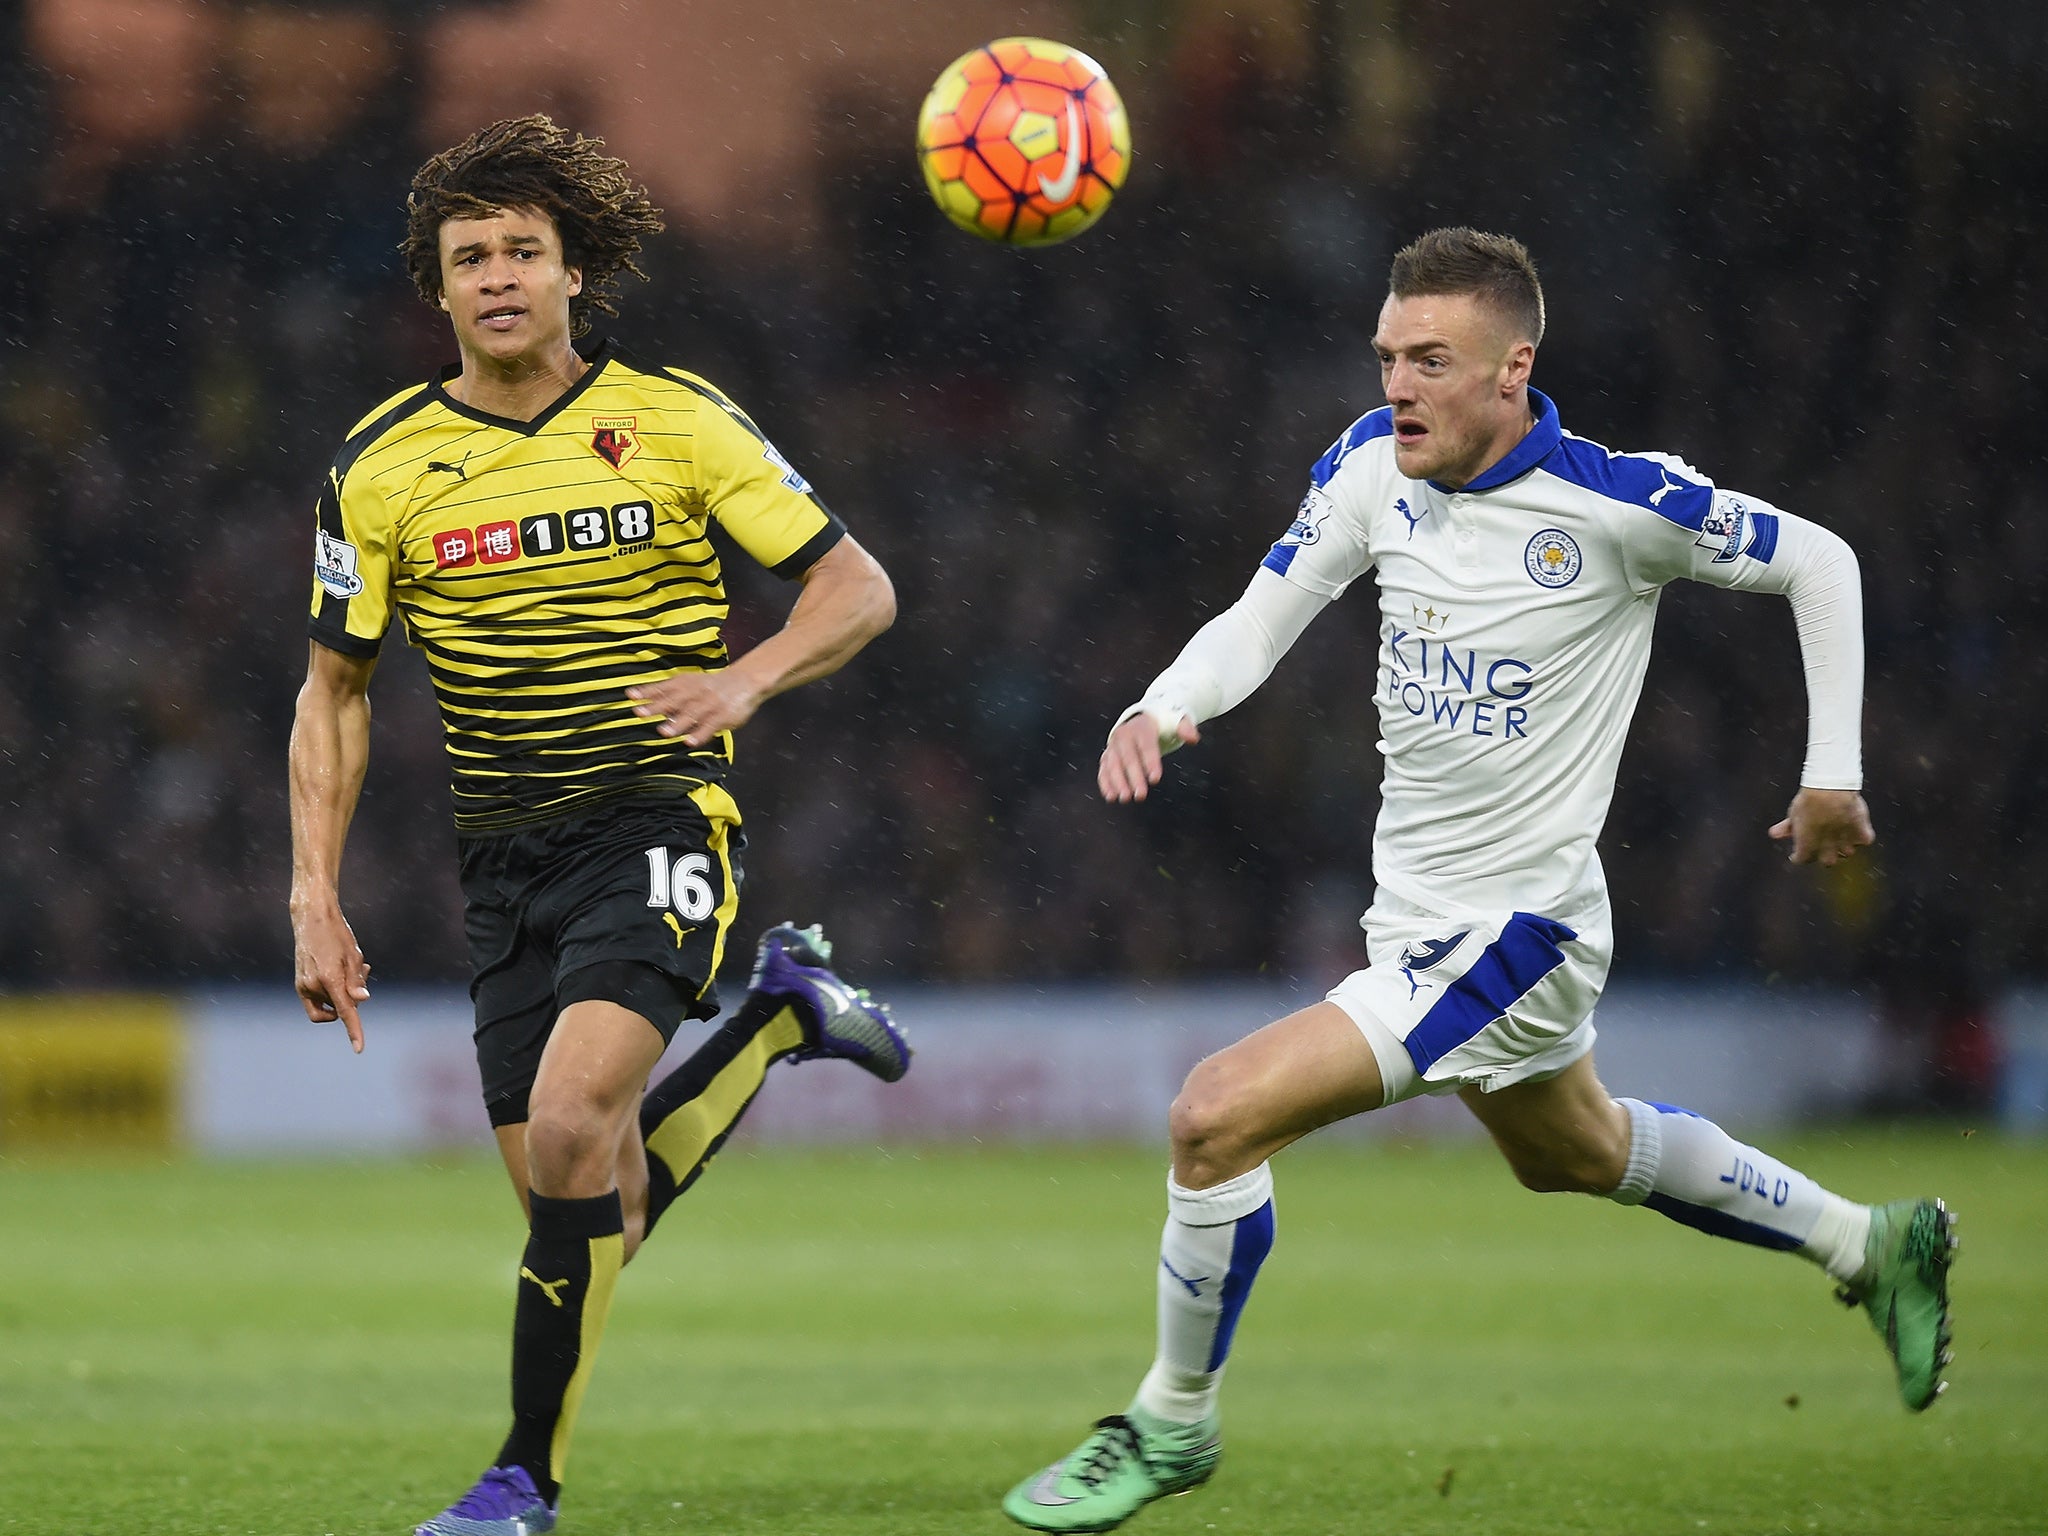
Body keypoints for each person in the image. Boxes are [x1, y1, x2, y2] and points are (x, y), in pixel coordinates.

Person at [1003, 227, 1957, 1534]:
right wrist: (1164, 705)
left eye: (1431, 361)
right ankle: (1872, 1242)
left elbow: (1821, 563)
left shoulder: (1622, 504)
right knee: (1580, 1153)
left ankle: (1170, 1424)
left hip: (1521, 935)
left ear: (1513, 371)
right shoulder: (1364, 468)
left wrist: (1831, 771)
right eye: (1389, 355)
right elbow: (1263, 615)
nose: (1399, 383)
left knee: (1212, 1117)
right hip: (1420, 919)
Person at [287, 115, 910, 1536]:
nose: (497, 277)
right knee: (594, 1216)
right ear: (436, 290)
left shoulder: (679, 419)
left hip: (653, 820)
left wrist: (743, 677)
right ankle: (783, 1020)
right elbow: (334, 692)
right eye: (469, 258)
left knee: (573, 1126)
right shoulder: (378, 466)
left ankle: (520, 1481)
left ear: (577, 276)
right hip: (502, 861)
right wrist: (312, 893)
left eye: (523, 251)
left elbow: (857, 587)